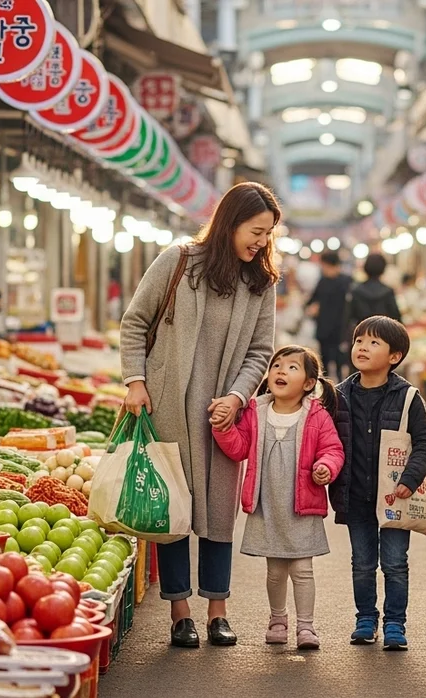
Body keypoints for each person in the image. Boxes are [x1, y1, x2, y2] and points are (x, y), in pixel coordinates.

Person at [118, 182, 281, 649]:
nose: (261, 242)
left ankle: (218, 612)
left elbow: (260, 351)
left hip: (222, 417)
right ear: (230, 223)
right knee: (171, 510)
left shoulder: (260, 283)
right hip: (169, 405)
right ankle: (179, 612)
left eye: (268, 234)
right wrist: (135, 380)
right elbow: (135, 322)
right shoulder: (179, 262)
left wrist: (238, 396)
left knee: (217, 512)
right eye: (255, 231)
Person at [211, 345, 344, 651]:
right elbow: (239, 447)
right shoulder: (256, 411)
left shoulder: (317, 416)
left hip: (302, 505)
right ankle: (277, 619)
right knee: (275, 571)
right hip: (267, 505)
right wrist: (223, 427)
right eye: (276, 366)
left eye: (292, 367)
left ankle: (306, 626)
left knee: (302, 569)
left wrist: (325, 467)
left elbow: (333, 449)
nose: (281, 371)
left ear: (309, 383)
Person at [332, 316, 426, 651]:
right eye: (359, 339)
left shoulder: (407, 397)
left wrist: (409, 479)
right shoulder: (339, 396)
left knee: (394, 563)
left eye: (374, 342)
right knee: (362, 563)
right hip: (355, 496)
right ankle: (365, 619)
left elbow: (425, 442)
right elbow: (328, 442)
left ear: (395, 356)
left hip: (394, 498)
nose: (362, 346)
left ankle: (394, 624)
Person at [305, 250, 353, 380]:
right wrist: (312, 307)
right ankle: (326, 389)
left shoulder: (347, 281)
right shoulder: (323, 281)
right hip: (325, 327)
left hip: (340, 328)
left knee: (340, 362)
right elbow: (312, 300)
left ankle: (341, 389)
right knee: (324, 361)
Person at [347, 253, 401, 332]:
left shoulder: (356, 290)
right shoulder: (388, 291)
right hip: (384, 335)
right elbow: (396, 317)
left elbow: (349, 317)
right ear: (383, 269)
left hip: (362, 334)